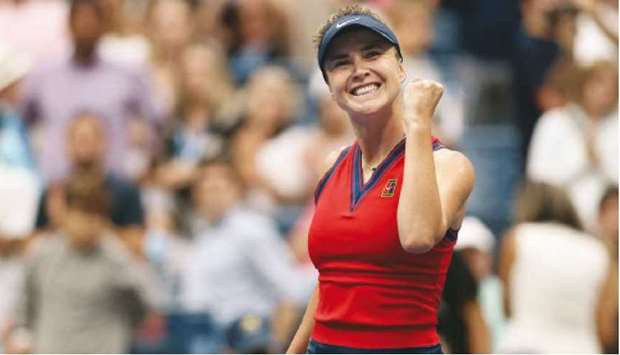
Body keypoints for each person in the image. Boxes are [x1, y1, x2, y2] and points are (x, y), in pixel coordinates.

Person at [286, 5, 475, 353]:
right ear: (329, 88)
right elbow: (331, 280)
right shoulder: (332, 166)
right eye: (341, 63)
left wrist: (418, 122)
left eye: (372, 54)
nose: (359, 70)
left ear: (401, 68)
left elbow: (417, 237)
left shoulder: (449, 165)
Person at [6, 174, 157, 354]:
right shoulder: (43, 254)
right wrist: (19, 336)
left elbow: (147, 303)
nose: (88, 223)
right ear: (66, 213)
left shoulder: (116, 257)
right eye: (82, 213)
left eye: (95, 215)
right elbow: (24, 307)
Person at [497, 181, 612, 353]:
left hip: (524, 346)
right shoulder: (599, 252)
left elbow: (507, 307)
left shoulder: (518, 237)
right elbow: (604, 328)